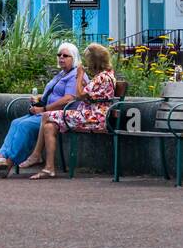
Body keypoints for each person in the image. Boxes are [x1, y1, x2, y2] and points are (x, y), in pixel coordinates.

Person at [0, 42, 82, 177]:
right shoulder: (62, 74)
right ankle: (0, 156)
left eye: (65, 56)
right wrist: (39, 99)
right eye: (59, 55)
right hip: (46, 111)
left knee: (25, 126)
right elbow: (54, 93)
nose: (61, 58)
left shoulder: (75, 75)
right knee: (16, 122)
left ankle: (8, 163)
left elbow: (69, 99)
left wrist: (44, 108)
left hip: (59, 115)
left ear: (73, 58)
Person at [30, 43, 117, 181]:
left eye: (88, 60)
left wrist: (80, 76)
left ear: (94, 61)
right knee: (49, 126)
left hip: (92, 118)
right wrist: (83, 82)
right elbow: (89, 94)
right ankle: (48, 168)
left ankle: (36, 155)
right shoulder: (106, 75)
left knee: (46, 115)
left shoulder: (102, 77)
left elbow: (79, 95)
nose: (86, 63)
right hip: (90, 115)